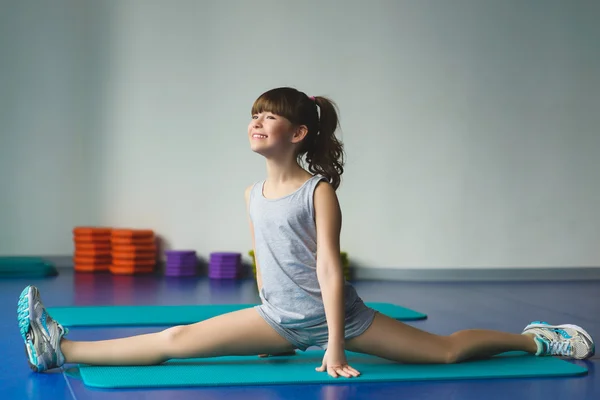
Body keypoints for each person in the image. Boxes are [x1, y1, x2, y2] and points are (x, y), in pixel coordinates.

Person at [17, 87, 594, 377]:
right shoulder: (250, 192)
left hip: (337, 318)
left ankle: (536, 338)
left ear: (297, 133)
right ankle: (58, 348)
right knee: (175, 340)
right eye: (254, 112)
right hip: (278, 319)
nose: (256, 120)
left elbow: (325, 268)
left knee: (443, 354)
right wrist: (268, 328)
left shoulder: (318, 191)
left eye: (269, 115)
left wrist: (337, 344)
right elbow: (267, 262)